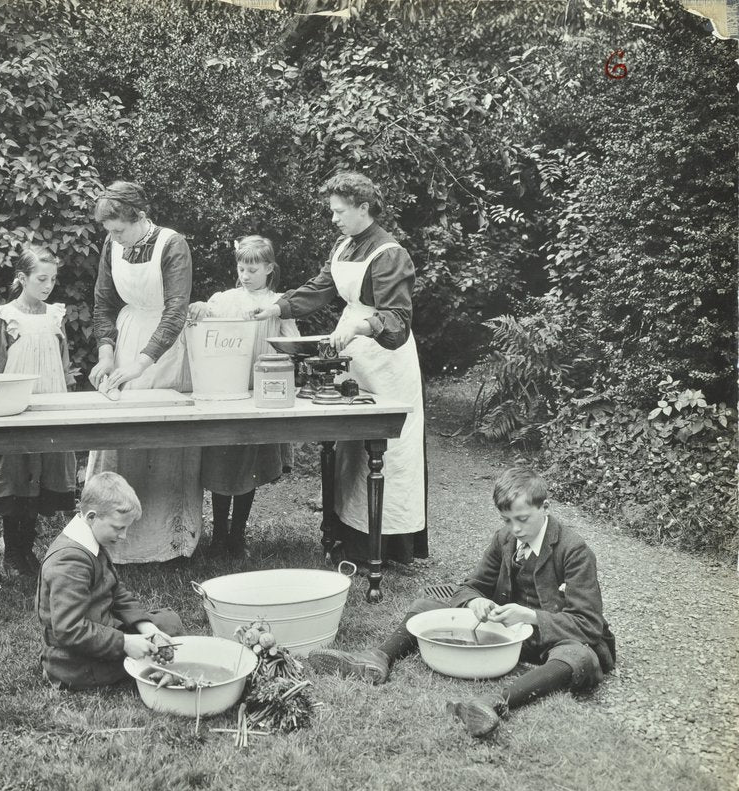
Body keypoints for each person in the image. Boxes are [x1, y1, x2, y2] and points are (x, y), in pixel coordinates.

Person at [308, 467, 616, 738]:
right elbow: (470, 587)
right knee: (426, 607)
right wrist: (475, 604)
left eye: (522, 519)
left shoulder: (574, 550)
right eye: (507, 520)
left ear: (545, 507)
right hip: (507, 634)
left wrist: (532, 617)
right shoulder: (505, 540)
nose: (516, 529)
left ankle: (492, 702)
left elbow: (588, 623)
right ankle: (377, 659)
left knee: (579, 657)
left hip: (554, 638)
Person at [250, 171, 427, 568]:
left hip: (384, 358)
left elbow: (397, 319)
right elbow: (320, 288)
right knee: (351, 450)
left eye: (340, 211)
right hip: (351, 351)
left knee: (387, 453)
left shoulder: (389, 254)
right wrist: (277, 307)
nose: (334, 218)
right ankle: (348, 537)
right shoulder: (345, 246)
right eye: (332, 211)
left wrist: (360, 328)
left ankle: (388, 546)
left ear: (364, 208)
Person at [85, 181, 202, 564]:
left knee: (166, 437)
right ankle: (120, 542)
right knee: (122, 437)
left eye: (118, 229)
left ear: (139, 217)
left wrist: (141, 363)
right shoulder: (112, 244)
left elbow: (175, 312)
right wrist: (107, 356)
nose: (113, 237)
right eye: (109, 232)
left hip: (165, 348)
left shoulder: (172, 245)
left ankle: (169, 543)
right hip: (127, 339)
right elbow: (103, 304)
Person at [188, 235, 300, 558]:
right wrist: (199, 307)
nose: (246, 275)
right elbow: (206, 317)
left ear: (269, 268)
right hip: (227, 390)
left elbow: (292, 345)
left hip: (261, 392)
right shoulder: (225, 299)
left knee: (248, 466)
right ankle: (218, 533)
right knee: (223, 462)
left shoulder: (279, 304)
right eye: (241, 268)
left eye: (253, 269)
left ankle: (238, 534)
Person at [0, 245, 78, 576]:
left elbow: (63, 362)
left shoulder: (55, 315)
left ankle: (27, 548)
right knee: (17, 475)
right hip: (14, 405)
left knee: (41, 473)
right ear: (22, 278)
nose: (48, 286)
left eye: (53, 280)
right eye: (41, 279)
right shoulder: (4, 317)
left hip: (50, 403)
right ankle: (12, 551)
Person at [37, 471, 185, 689]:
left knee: (168, 624)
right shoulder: (69, 562)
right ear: (92, 517)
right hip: (74, 661)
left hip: (100, 629)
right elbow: (69, 630)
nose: (123, 536)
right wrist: (125, 643)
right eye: (119, 528)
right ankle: (81, 672)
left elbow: (116, 592)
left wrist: (147, 629)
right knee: (160, 645)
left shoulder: (89, 541)